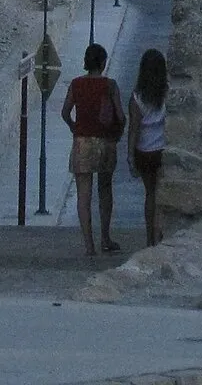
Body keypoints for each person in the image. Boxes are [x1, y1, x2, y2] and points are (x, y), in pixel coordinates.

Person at [60, 42, 124, 256]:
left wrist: (74, 128)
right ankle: (105, 237)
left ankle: (89, 245)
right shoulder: (110, 86)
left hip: (82, 142)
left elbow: (65, 111)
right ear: (103, 63)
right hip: (105, 142)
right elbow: (121, 116)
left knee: (83, 195)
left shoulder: (76, 84)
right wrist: (118, 133)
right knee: (105, 191)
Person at [126, 47, 169, 247]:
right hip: (162, 150)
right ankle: (160, 235)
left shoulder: (137, 98)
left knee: (150, 194)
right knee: (161, 195)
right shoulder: (167, 93)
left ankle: (149, 239)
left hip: (144, 152)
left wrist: (130, 157)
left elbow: (133, 129)